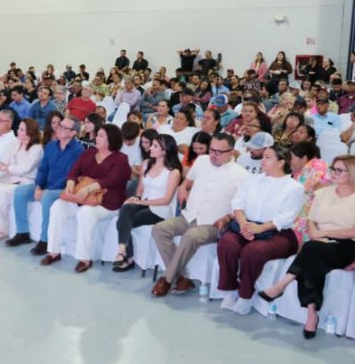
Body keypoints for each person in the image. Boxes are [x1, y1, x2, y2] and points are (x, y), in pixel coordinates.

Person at [259, 155, 355, 339]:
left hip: (344, 246)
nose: (333, 173)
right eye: (333, 169)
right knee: (312, 258)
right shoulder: (322, 193)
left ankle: (282, 285)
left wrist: (322, 235)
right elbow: (311, 221)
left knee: (311, 249)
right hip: (318, 242)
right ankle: (312, 314)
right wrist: (316, 234)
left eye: (339, 170)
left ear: (352, 173)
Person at [151, 133, 247, 297]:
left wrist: (227, 218)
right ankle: (183, 277)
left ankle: (167, 279)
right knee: (159, 229)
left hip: (213, 223)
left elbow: (241, 207)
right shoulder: (202, 161)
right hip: (189, 215)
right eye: (212, 150)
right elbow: (187, 181)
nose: (213, 155)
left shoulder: (241, 175)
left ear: (231, 152)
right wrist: (182, 187)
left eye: (219, 152)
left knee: (190, 236)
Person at [216, 145, 306, 315]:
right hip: (246, 225)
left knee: (253, 251)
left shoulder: (294, 188)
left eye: (268, 157)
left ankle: (245, 296)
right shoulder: (251, 179)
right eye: (263, 156)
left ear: (281, 162)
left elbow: (285, 217)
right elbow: (238, 203)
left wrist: (260, 228)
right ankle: (229, 291)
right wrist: (244, 224)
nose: (262, 160)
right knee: (227, 243)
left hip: (276, 232)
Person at [41, 124, 131, 272]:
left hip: (107, 202)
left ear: (111, 140)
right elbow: (74, 171)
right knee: (58, 206)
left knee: (85, 213)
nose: (97, 138)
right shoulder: (89, 153)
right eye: (98, 135)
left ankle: (85, 258)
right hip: (83, 197)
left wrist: (88, 188)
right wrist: (71, 183)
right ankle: (54, 251)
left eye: (101, 136)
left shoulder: (121, 159)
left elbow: (111, 181)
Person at [113, 134, 181, 272]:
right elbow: (140, 189)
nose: (150, 148)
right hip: (144, 203)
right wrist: (134, 199)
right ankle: (123, 251)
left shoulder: (173, 172)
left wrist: (142, 203)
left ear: (165, 150)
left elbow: (166, 200)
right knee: (125, 209)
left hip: (160, 209)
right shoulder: (146, 164)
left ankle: (126, 256)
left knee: (126, 219)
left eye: (155, 146)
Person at [0, 119, 44, 240]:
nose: (18, 131)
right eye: (19, 128)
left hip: (26, 181)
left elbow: (26, 169)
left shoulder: (37, 148)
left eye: (22, 129)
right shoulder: (14, 143)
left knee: (1, 192)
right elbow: (3, 162)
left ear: (30, 132)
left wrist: (7, 168)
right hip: (10, 177)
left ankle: (1, 228)